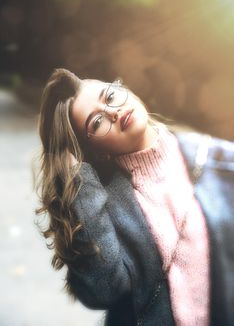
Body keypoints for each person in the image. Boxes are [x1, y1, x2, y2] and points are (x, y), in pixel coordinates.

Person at [36, 68, 234, 326]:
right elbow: (103, 290)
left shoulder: (212, 157)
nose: (113, 112)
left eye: (110, 96)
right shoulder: (103, 207)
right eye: (97, 122)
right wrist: (77, 180)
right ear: (97, 152)